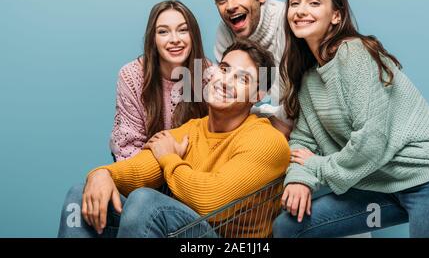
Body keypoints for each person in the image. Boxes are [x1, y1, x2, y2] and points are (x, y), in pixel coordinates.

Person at [272, 0, 429, 238]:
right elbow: (302, 140)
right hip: (381, 184)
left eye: (314, 2)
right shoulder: (309, 77)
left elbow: (371, 141)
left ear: (336, 16)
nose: (300, 10)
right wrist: (299, 178)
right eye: (295, 2)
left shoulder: (354, 53)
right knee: (288, 227)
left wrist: (317, 167)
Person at [58, 39, 290, 238]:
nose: (225, 81)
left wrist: (169, 158)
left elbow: (211, 202)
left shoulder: (267, 140)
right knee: (80, 194)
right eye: (224, 69)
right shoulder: (191, 129)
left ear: (258, 95)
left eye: (242, 79)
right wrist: (102, 174)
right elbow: (141, 168)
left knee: (145, 202)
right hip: (182, 232)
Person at [203, 0, 292, 136]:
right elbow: (233, 102)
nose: (230, 6)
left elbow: (293, 103)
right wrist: (265, 116)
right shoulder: (224, 33)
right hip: (265, 125)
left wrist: (262, 115)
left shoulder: (288, 23)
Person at [109, 0, 209, 161]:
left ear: (194, 35)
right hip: (143, 168)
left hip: (190, 171)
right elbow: (128, 148)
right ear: (153, 39)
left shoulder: (207, 74)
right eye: (163, 32)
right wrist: (167, 158)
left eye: (183, 30)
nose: (175, 39)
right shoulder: (131, 76)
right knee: (79, 188)